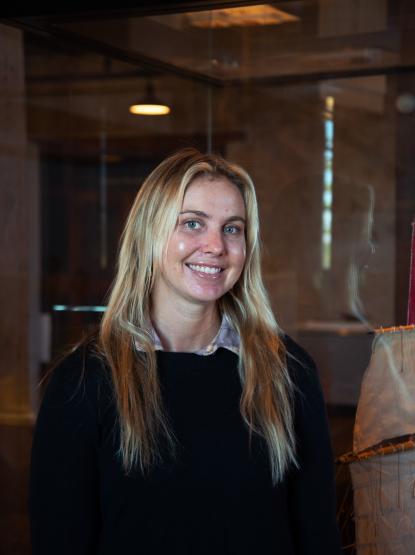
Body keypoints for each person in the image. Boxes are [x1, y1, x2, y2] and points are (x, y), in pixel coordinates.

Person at [29, 148, 341, 554]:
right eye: (193, 224)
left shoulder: (288, 370)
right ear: (149, 234)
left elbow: (318, 535)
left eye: (232, 228)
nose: (215, 246)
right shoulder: (85, 380)